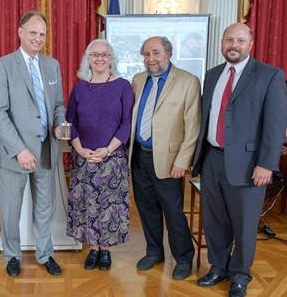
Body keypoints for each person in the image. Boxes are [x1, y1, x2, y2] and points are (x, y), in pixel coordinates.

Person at [192, 23, 287, 297]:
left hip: (249, 165)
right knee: (214, 221)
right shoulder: (212, 75)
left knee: (244, 225)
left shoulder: (269, 75)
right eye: (229, 39)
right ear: (222, 43)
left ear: (250, 44)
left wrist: (267, 164)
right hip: (212, 159)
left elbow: (275, 123)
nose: (234, 45)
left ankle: (240, 275)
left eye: (240, 40)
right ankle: (218, 267)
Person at [0, 10, 66, 277]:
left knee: (45, 208)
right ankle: (12, 255)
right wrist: (20, 150)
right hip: (14, 153)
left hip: (46, 150)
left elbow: (58, 104)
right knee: (10, 210)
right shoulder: (2, 65)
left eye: (42, 34)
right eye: (33, 33)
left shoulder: (52, 65)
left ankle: (45, 254)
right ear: (20, 32)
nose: (38, 38)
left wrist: (58, 124)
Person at [128, 36, 201, 279]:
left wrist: (182, 161)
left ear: (168, 53)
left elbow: (193, 127)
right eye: (146, 54)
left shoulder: (188, 81)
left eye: (156, 53)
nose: (150, 59)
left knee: (173, 211)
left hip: (170, 162)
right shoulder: (138, 80)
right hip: (139, 156)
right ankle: (154, 252)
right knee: (146, 208)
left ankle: (183, 257)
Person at [66, 39, 134, 271]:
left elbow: (126, 124)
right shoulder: (80, 87)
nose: (99, 58)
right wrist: (78, 148)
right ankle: (92, 249)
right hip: (83, 156)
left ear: (111, 59)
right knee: (87, 205)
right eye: (94, 54)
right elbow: (70, 121)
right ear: (88, 58)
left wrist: (107, 149)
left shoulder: (123, 86)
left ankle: (105, 251)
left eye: (104, 55)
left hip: (111, 157)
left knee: (108, 206)